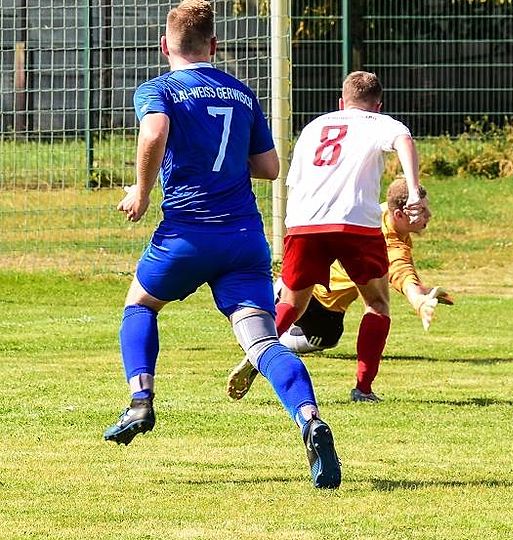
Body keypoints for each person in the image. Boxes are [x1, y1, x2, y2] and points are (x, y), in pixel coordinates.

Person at [104, 0, 340, 490]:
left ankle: (140, 401)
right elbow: (269, 167)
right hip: (244, 240)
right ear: (214, 45)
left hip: (188, 235)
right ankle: (310, 418)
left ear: (165, 45)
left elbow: (155, 130)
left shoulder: (159, 89)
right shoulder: (241, 92)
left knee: (140, 304)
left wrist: (142, 190)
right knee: (262, 342)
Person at [269, 71, 426, 402]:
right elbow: (404, 140)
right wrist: (413, 191)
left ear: (341, 102)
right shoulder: (379, 122)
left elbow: (294, 181)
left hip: (303, 222)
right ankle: (363, 388)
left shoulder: (314, 127)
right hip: (355, 222)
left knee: (291, 304)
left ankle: (258, 351)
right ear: (378, 105)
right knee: (377, 304)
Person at [226, 178, 453, 402]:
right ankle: (361, 389)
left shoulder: (378, 212)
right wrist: (417, 299)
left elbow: (405, 272)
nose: (429, 215)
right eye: (421, 210)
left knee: (294, 304)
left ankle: (260, 343)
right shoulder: (390, 243)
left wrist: (421, 291)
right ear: (399, 215)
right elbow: (402, 273)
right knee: (345, 325)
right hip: (320, 306)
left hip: (305, 258)